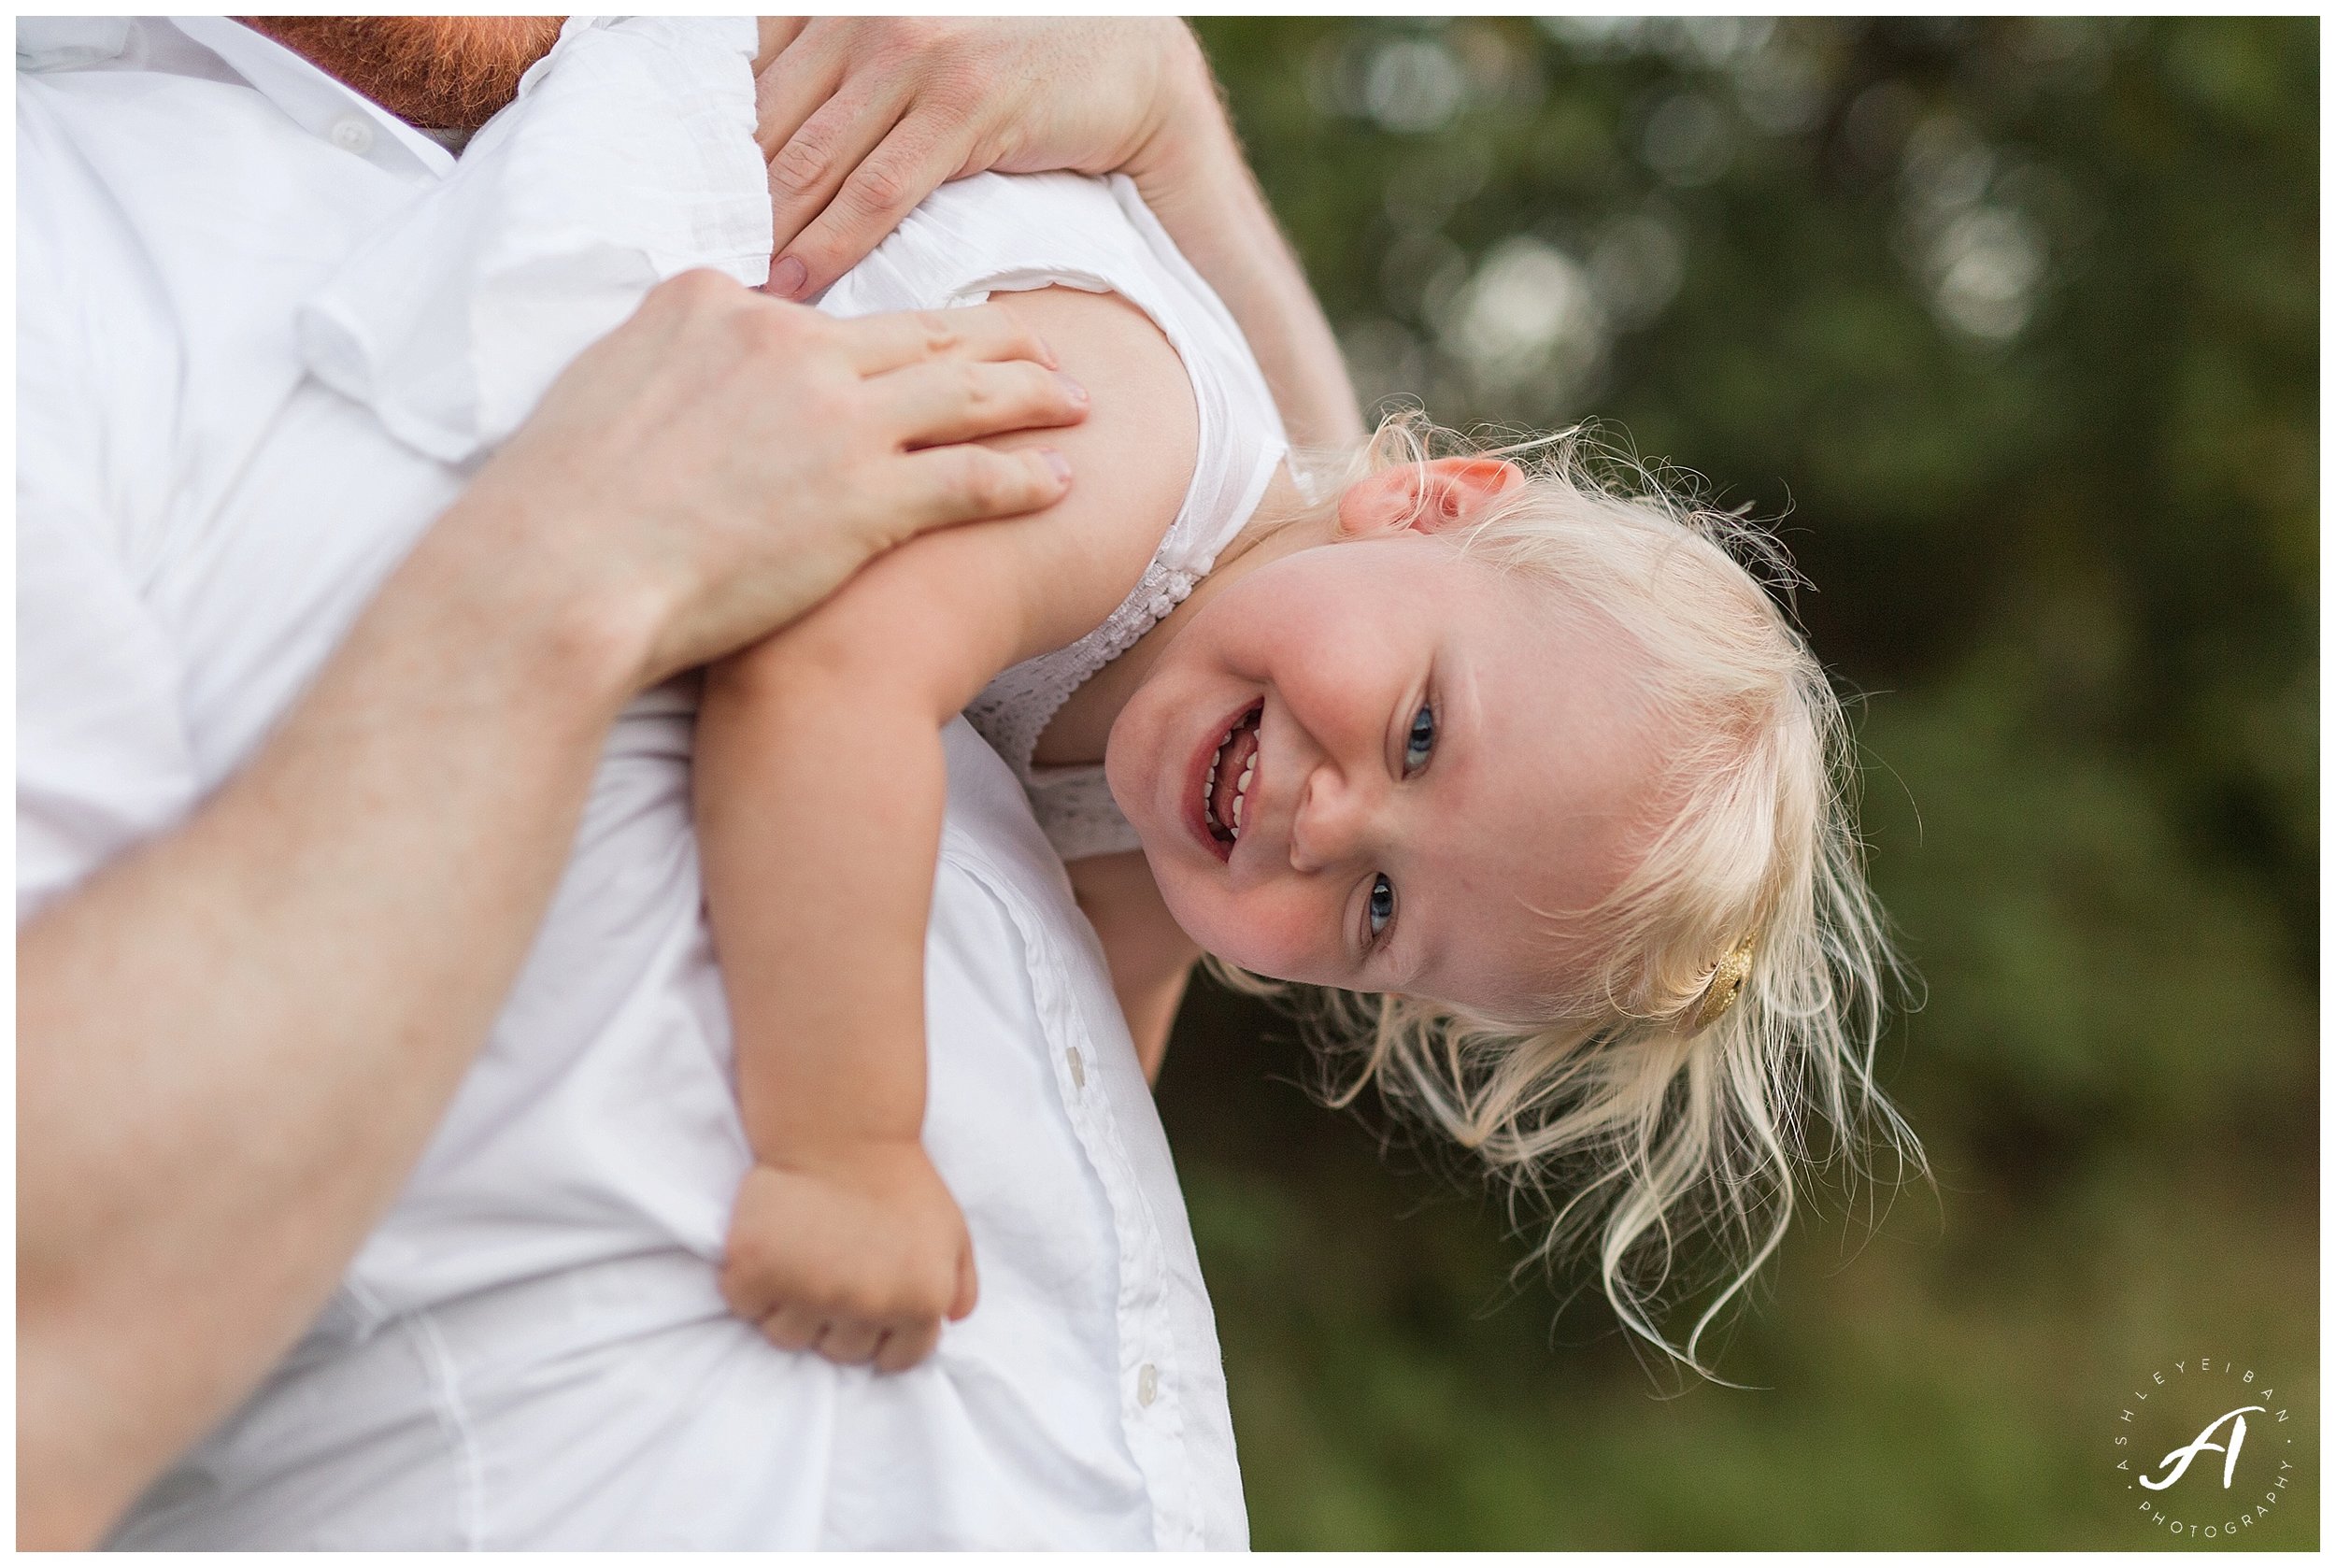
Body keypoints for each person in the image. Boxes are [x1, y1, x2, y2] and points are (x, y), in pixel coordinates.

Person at [18, 17, 1360, 1549]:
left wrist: (1173, 132)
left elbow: (1343, 586)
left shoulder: (798, 97)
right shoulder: (55, 242)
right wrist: (558, 583)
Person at [696, 190, 1925, 1381]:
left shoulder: (1146, 853)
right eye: (1422, 733)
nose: (1328, 824)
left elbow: (1069, 1094)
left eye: (1382, 907)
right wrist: (848, 1152)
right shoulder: (1132, 456)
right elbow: (824, 661)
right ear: (1425, 504)